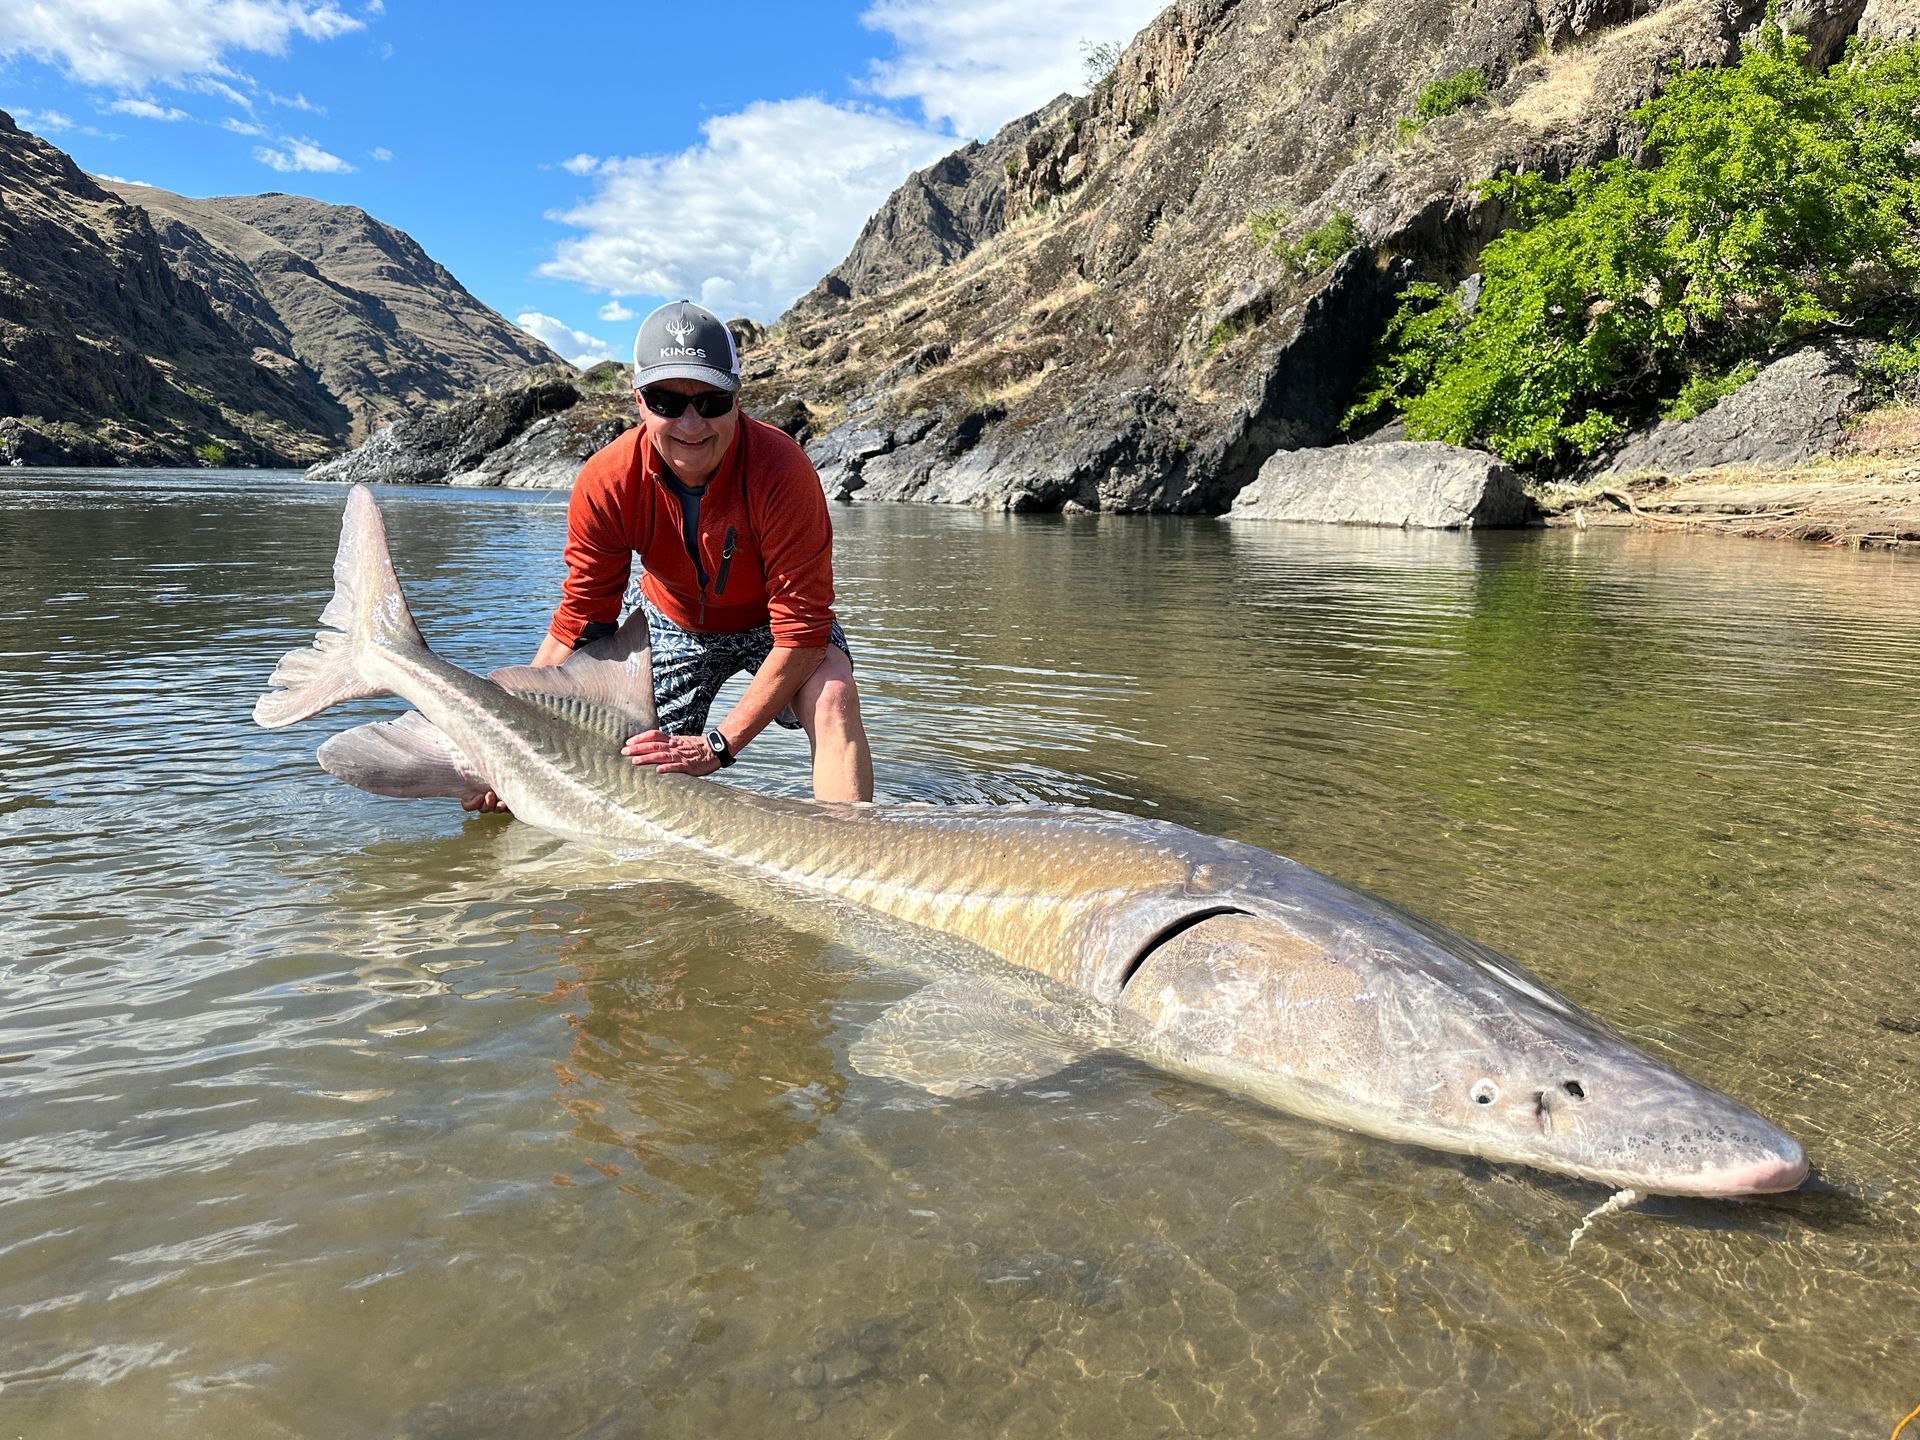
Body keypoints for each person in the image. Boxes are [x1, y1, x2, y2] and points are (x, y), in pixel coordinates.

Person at [464, 299, 873, 809]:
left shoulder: (784, 472)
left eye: (711, 401)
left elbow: (804, 632)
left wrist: (717, 747)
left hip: (774, 623)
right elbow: (582, 619)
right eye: (666, 401)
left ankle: (853, 854)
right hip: (673, 621)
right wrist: (507, 745)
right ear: (639, 401)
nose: (691, 423)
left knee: (832, 692)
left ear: (737, 397)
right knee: (630, 758)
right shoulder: (607, 480)